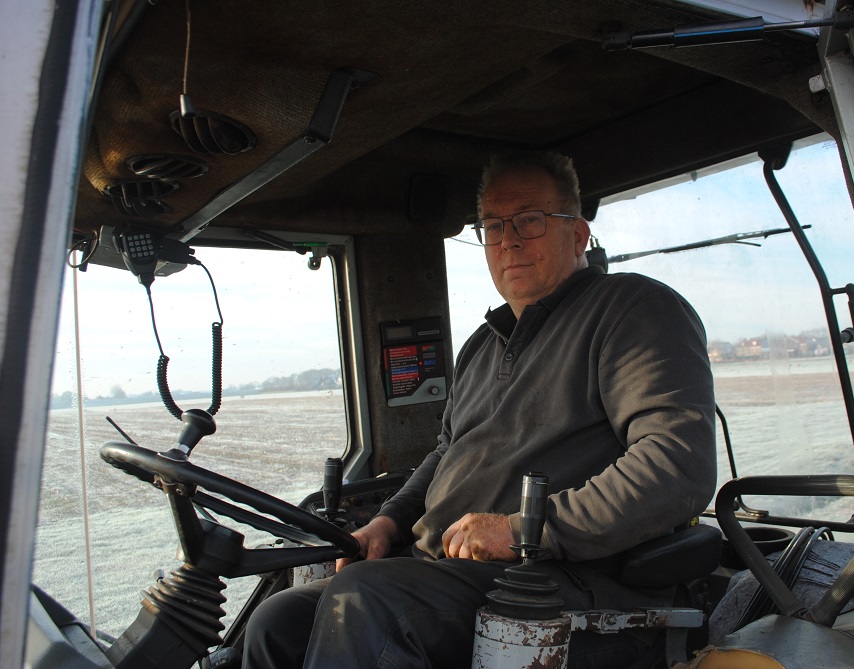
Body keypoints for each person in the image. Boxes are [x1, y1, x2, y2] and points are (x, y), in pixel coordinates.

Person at [242, 151, 716, 669]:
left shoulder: (633, 310)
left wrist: (520, 531)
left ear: (578, 235)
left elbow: (676, 466)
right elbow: (446, 453)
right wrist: (388, 522)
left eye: (529, 221)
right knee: (278, 621)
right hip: (446, 571)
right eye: (493, 226)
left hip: (568, 587)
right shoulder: (481, 346)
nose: (509, 239)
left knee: (365, 598)